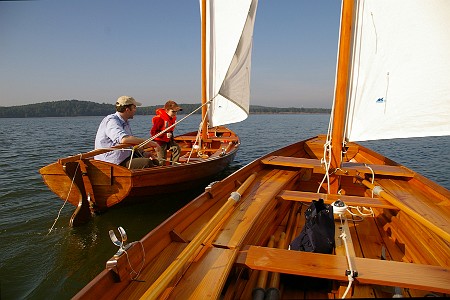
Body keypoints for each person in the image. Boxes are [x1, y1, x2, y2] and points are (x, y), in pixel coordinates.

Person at [94, 96, 160, 169]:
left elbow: (129, 145)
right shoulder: (112, 121)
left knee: (155, 162)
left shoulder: (125, 122)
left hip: (124, 157)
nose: (135, 110)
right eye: (134, 107)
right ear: (127, 109)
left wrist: (143, 153)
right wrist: (150, 143)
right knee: (147, 163)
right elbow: (124, 139)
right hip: (112, 162)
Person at [150, 100, 182, 165]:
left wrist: (171, 138)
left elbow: (170, 131)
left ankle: (174, 165)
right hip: (159, 142)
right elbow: (153, 133)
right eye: (173, 111)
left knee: (176, 148)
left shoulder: (171, 118)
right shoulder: (160, 119)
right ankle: (159, 170)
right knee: (162, 160)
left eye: (176, 112)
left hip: (168, 141)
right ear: (167, 110)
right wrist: (165, 135)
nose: (175, 114)